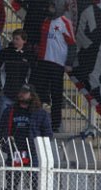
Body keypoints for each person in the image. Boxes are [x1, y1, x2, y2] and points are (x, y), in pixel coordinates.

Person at [0, 84, 52, 190]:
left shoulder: (40, 113)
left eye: (25, 92)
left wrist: (40, 148)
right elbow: (1, 130)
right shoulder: (10, 111)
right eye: (21, 92)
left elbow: (48, 133)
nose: (22, 94)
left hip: (33, 152)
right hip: (15, 151)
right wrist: (4, 145)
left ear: (31, 94)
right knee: (12, 181)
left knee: (36, 182)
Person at [31, 0, 76, 132]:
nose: (50, 9)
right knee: (40, 93)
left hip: (57, 64)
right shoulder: (45, 20)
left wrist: (69, 63)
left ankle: (55, 124)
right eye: (49, 6)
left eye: (52, 6)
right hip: (43, 62)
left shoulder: (65, 22)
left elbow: (72, 44)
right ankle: (39, 121)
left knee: (56, 95)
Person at [0, 28, 35, 129]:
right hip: (6, 93)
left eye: (17, 39)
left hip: (22, 94)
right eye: (14, 38)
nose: (14, 41)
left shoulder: (29, 56)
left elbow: (32, 75)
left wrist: (29, 91)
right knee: (2, 120)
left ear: (24, 41)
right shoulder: (4, 54)